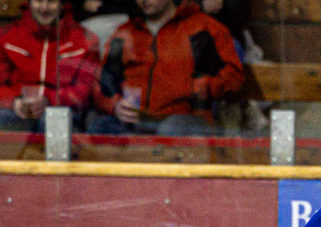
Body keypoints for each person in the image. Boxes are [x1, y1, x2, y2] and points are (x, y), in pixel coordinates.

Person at [90, 0, 243, 136]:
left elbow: (234, 78)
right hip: (135, 119)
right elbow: (104, 80)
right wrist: (115, 105)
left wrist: (197, 87)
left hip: (187, 118)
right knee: (100, 127)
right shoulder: (124, 33)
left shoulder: (203, 29)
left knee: (170, 130)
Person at [0, 0, 100, 132]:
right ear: (29, 3)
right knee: (3, 119)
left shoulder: (84, 40)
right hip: (18, 110)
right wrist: (15, 102)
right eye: (38, 1)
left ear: (62, 4)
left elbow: (87, 88)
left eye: (52, 1)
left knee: (57, 122)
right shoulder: (5, 37)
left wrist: (50, 99)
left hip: (63, 110)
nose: (44, 8)